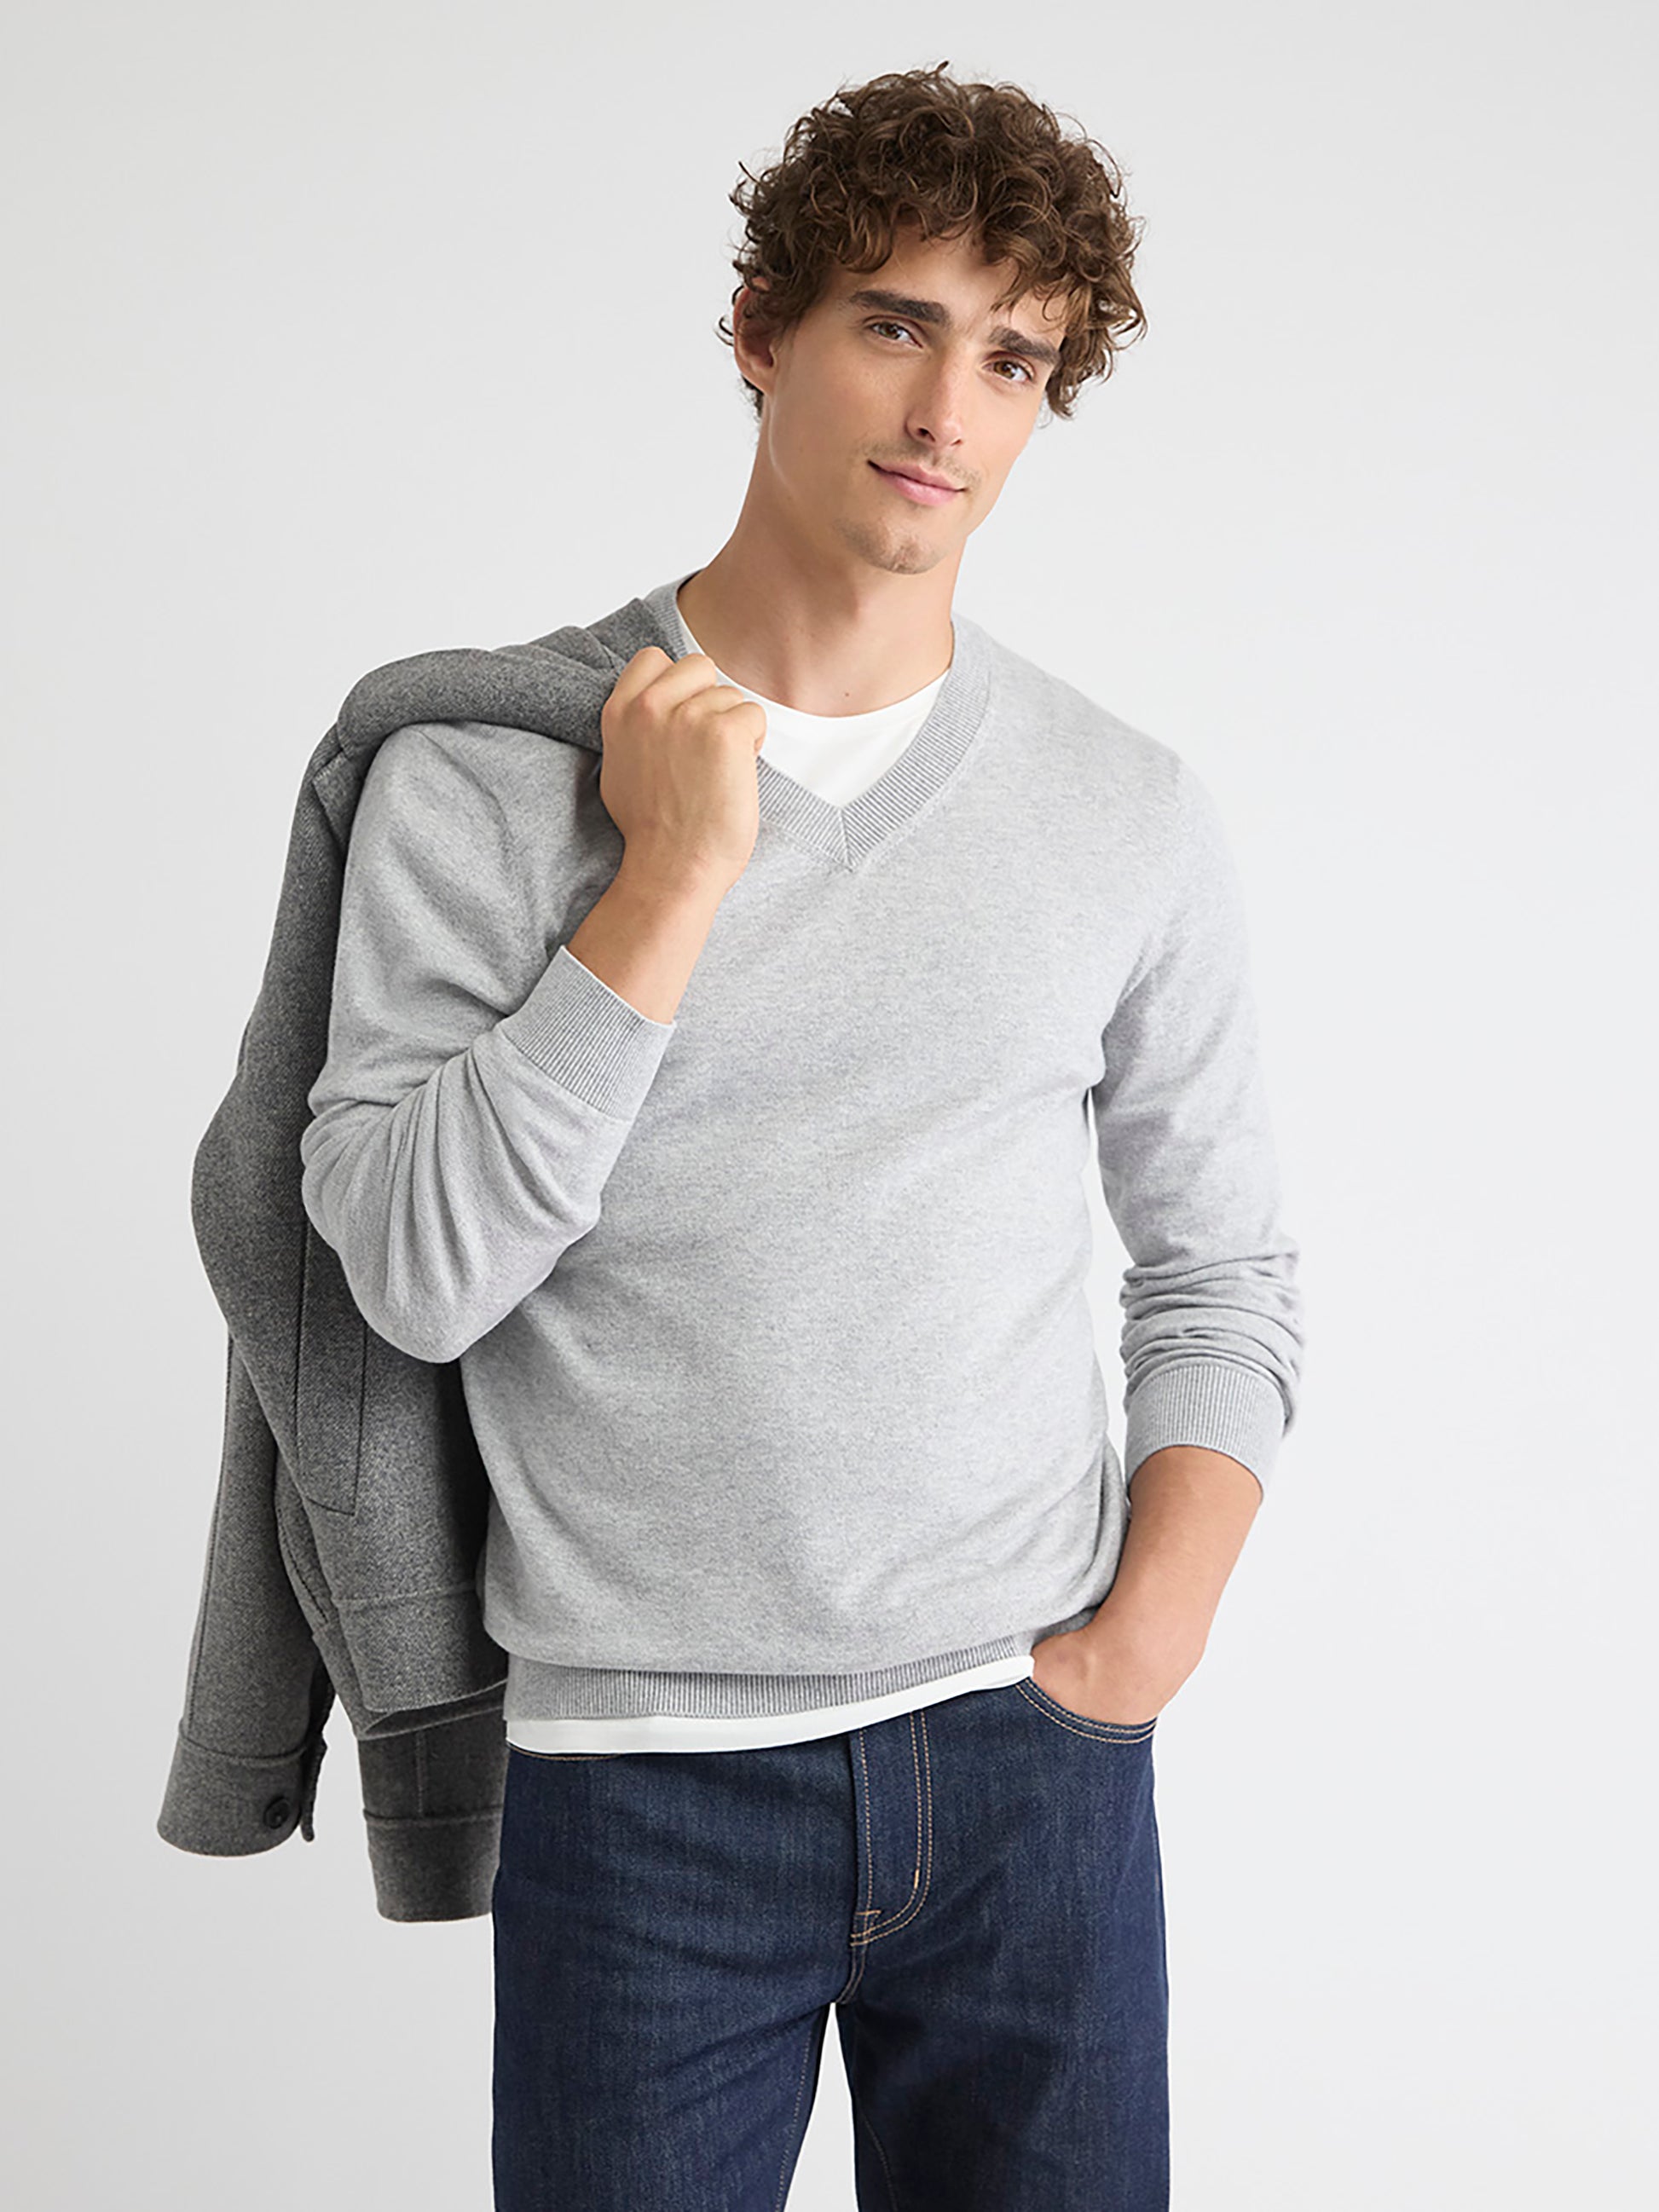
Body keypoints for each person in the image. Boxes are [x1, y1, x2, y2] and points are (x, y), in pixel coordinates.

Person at [301, 60, 1305, 2212]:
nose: (947, 408)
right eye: (894, 324)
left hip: (1033, 1763)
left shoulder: (1123, 807)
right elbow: (408, 1269)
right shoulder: (481, 776)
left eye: (1011, 358)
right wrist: (669, 878)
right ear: (759, 329)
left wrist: (1141, 1641)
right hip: (645, 1791)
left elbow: (1222, 1271)